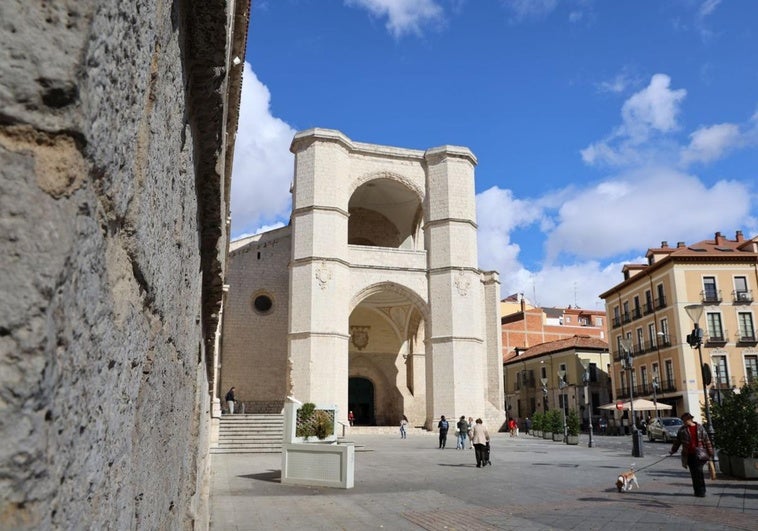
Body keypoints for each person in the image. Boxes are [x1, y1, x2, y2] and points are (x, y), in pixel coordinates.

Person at [669, 412, 714, 497]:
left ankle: (701, 491)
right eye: (683, 421)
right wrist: (673, 450)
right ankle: (697, 491)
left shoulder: (700, 428)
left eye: (685, 421)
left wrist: (710, 452)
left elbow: (706, 440)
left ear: (690, 419)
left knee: (699, 472)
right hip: (689, 455)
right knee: (694, 473)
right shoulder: (682, 430)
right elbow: (677, 442)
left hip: (700, 454)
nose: (684, 422)